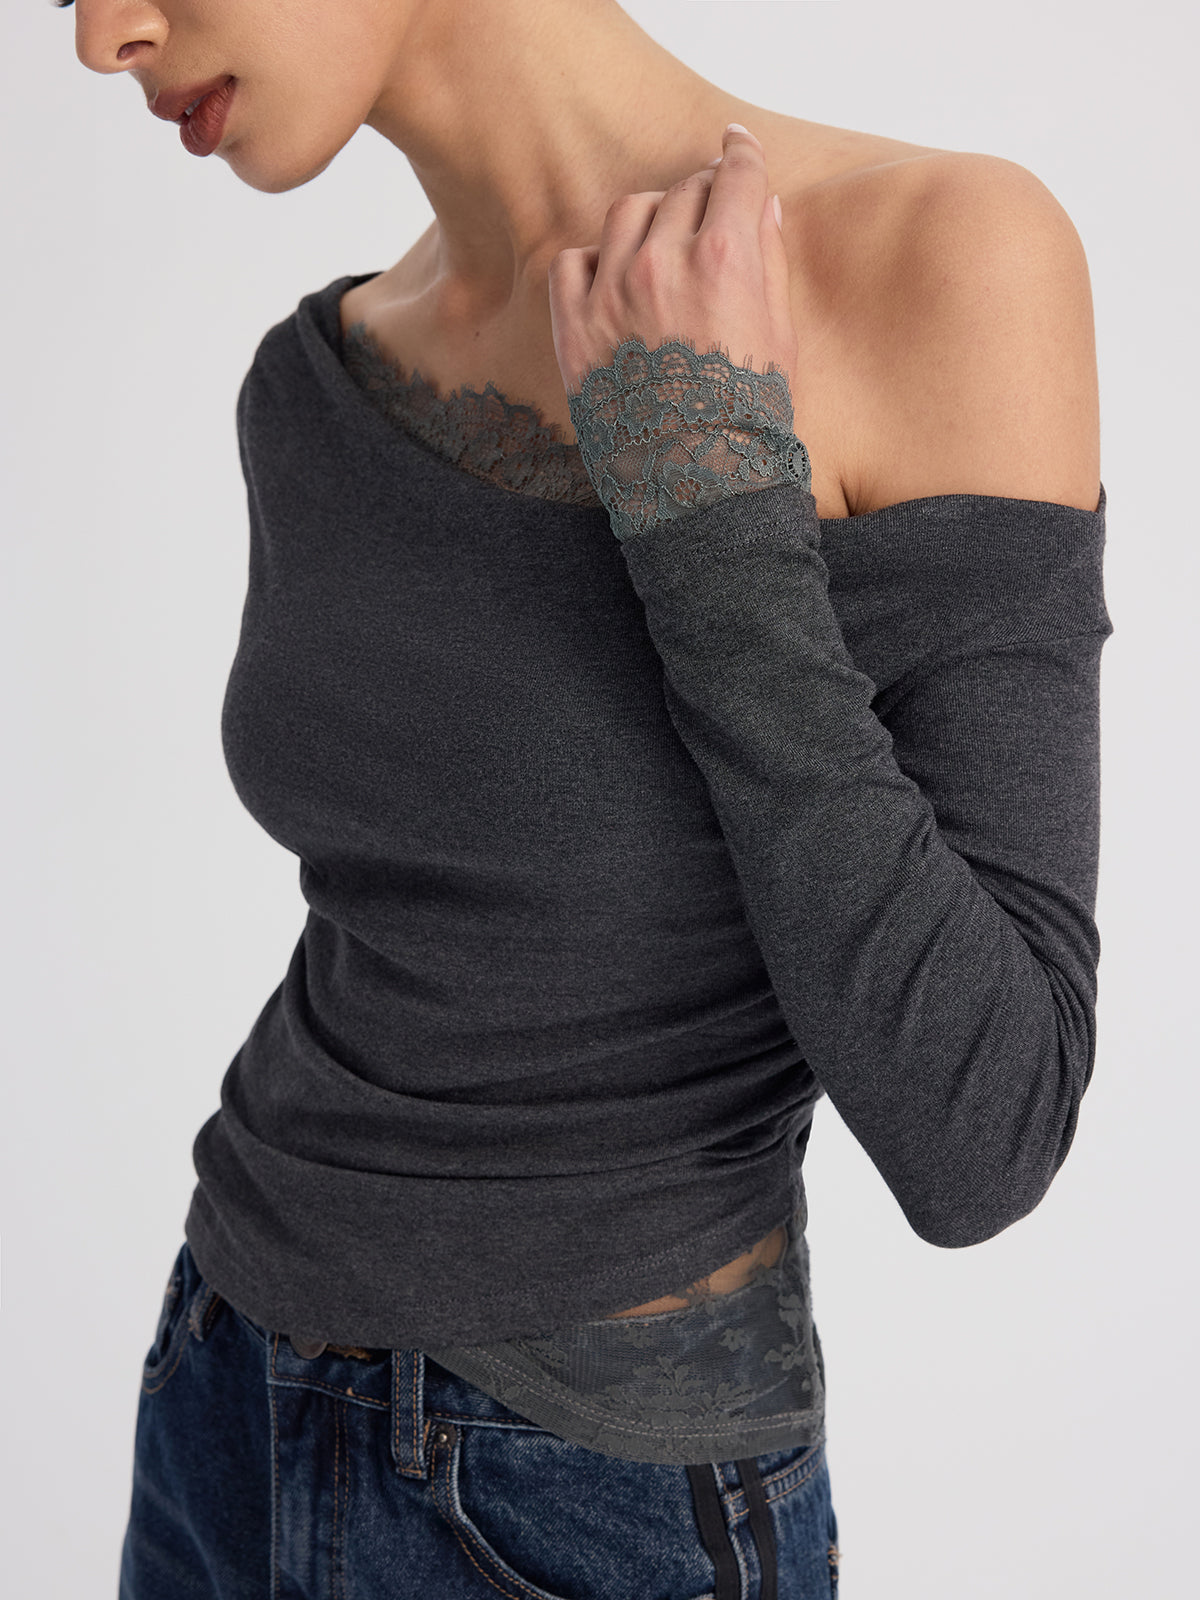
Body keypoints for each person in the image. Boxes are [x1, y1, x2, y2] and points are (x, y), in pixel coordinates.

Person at [64, 1, 1111, 1595]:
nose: (98, 36)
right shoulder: (314, 379)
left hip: (575, 1485)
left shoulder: (939, 256)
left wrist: (706, 497)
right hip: (221, 1385)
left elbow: (987, 1134)